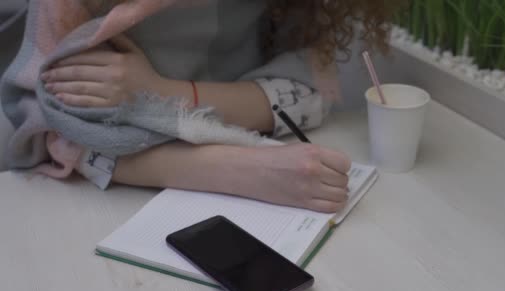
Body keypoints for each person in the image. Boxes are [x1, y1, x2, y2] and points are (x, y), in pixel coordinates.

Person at [37, 0, 395, 212]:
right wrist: (238, 169)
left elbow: (311, 91)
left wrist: (158, 91)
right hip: (78, 203)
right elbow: (58, 124)